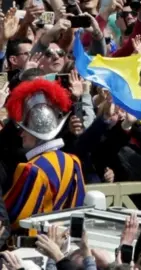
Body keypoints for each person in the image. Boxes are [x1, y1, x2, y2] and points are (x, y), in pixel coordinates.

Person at [3, 79, 86, 230]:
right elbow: (77, 206)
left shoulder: (32, 169)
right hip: (61, 237)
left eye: (26, 129)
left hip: (34, 242)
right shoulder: (72, 161)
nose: (21, 134)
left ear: (37, 133)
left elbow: (12, 218)